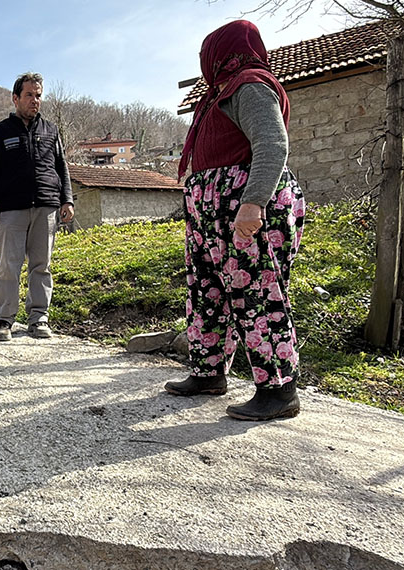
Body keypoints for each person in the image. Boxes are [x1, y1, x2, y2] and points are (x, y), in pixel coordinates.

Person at [163, 20, 306, 421]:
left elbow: (272, 143)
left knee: (256, 293)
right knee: (206, 291)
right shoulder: (219, 94)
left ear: (222, 52)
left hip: (244, 208)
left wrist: (253, 203)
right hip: (212, 212)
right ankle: (208, 372)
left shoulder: (250, 84)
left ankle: (278, 390)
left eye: (206, 53)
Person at [0, 72, 74, 342]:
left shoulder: (50, 130)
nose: (35, 100)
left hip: (46, 206)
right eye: (29, 95)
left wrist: (67, 199)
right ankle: (4, 319)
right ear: (15, 98)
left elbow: (61, 167)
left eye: (38, 95)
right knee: (8, 265)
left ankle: (38, 318)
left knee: (41, 265)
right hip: (11, 208)